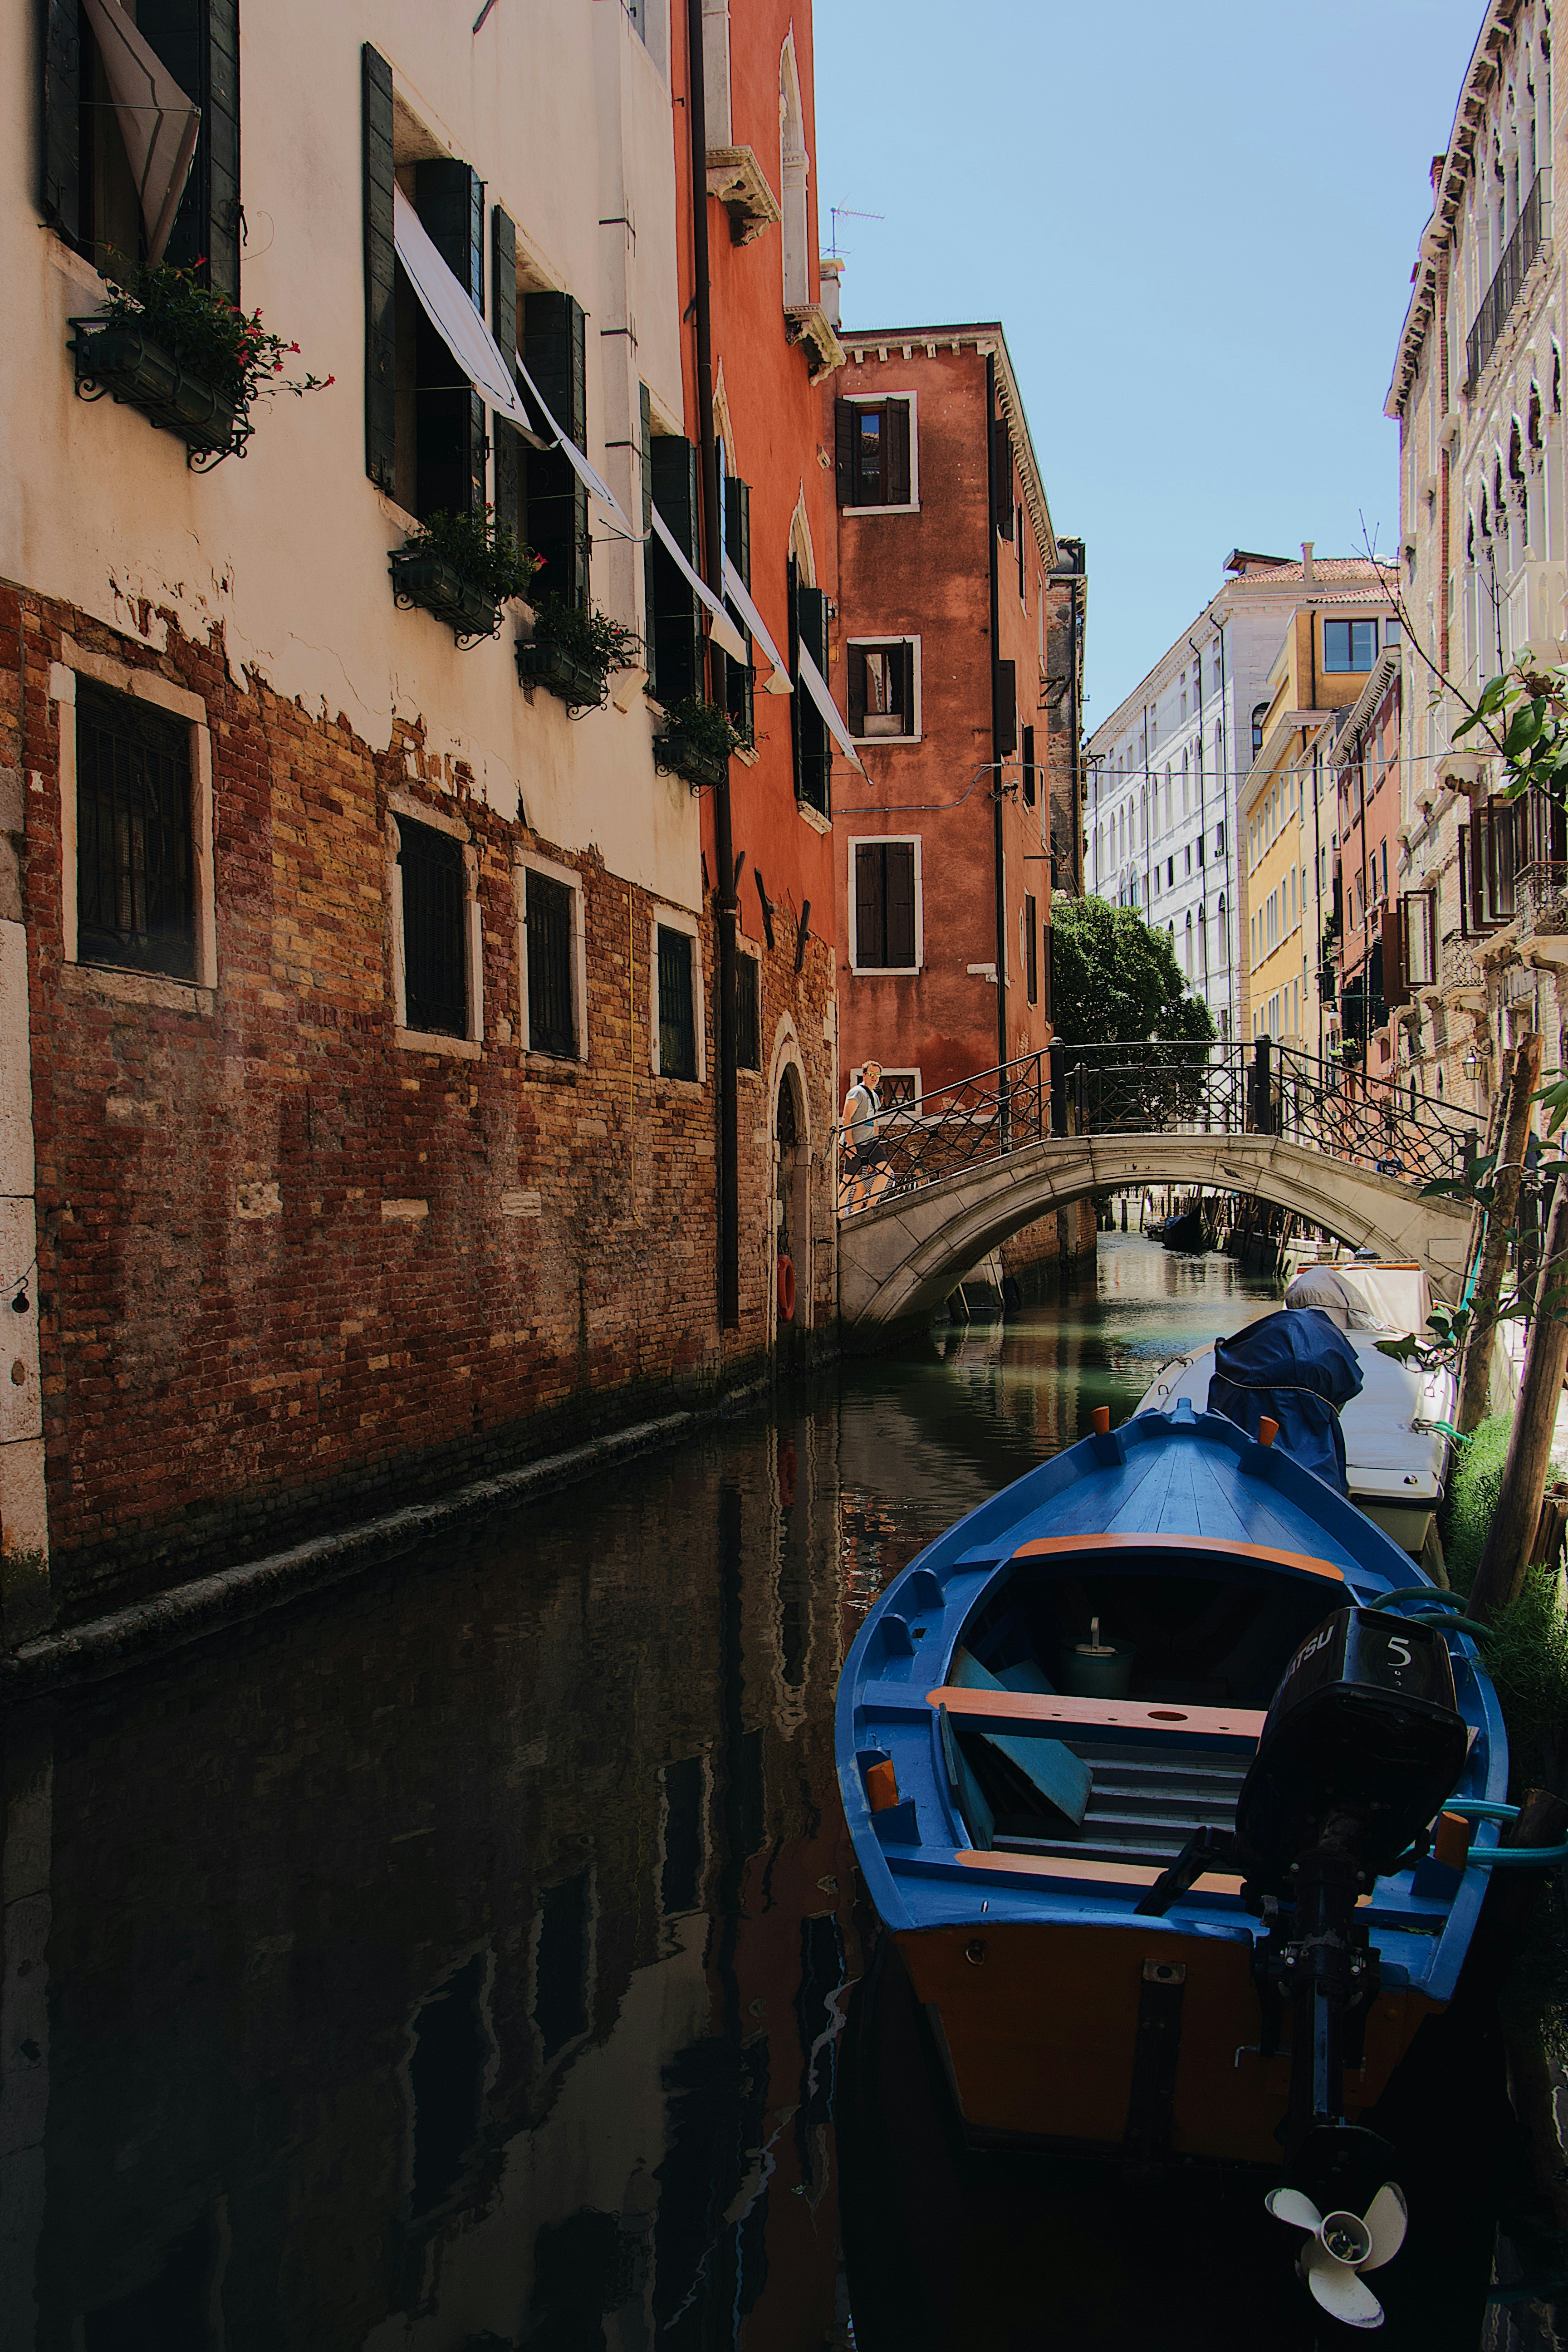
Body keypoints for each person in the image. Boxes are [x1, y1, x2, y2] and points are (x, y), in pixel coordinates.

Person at [840, 1061, 888, 1208]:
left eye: (878, 1075)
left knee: (885, 1170)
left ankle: (869, 1208)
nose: (875, 1078)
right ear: (865, 1075)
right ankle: (837, 1215)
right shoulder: (857, 1093)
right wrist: (850, 1144)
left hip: (870, 1143)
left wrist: (876, 1139)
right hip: (857, 1143)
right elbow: (846, 1118)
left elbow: (873, 1120)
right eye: (872, 1074)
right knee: (849, 1182)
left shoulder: (874, 1095)